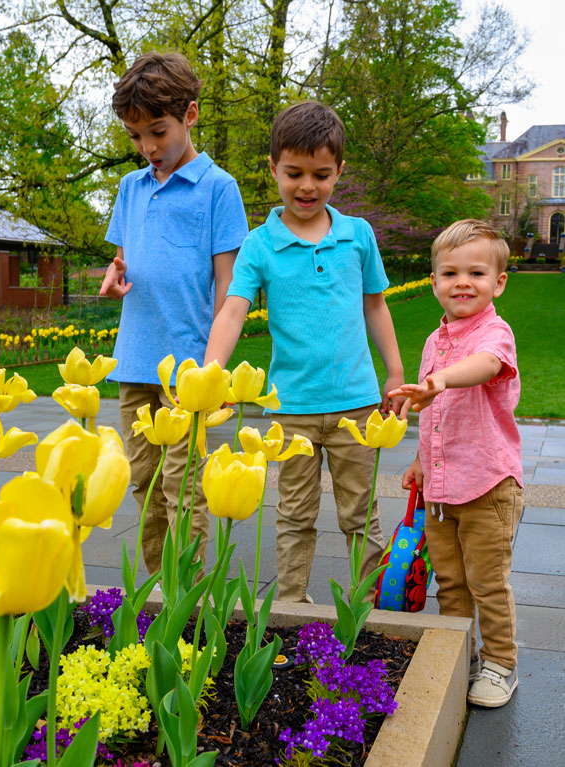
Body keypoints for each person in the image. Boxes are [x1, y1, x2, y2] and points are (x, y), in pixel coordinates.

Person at [204, 100, 404, 603]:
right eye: (294, 173)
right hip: (288, 409)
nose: (307, 187)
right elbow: (231, 312)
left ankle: (367, 609)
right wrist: (209, 377)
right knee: (294, 515)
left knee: (362, 516)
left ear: (339, 171)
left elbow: (375, 306)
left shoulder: (358, 236)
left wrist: (395, 371)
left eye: (320, 174)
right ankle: (291, 605)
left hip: (357, 405)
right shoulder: (259, 245)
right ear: (274, 169)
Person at [100, 52, 250, 575]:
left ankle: (189, 597)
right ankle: (159, 594)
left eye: (156, 132)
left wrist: (213, 368)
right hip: (135, 361)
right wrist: (113, 279)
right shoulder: (131, 187)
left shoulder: (218, 189)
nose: (147, 148)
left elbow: (230, 286)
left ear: (189, 114)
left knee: (183, 487)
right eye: (135, 136)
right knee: (144, 483)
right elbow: (123, 260)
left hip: (187, 368)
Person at [389, 219, 523, 708]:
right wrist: (422, 460)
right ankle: (457, 650)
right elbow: (435, 413)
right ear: (434, 283)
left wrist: (440, 380)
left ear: (498, 283)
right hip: (442, 491)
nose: (461, 282)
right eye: (449, 273)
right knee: (450, 579)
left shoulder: (495, 332)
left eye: (476, 273)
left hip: (488, 485)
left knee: (487, 582)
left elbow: (486, 366)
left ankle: (500, 663)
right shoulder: (433, 340)